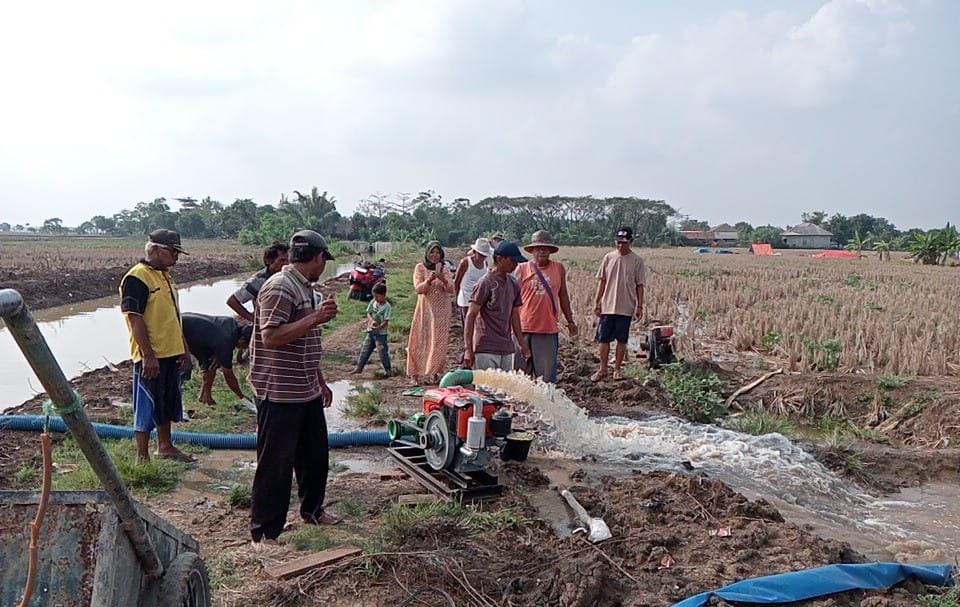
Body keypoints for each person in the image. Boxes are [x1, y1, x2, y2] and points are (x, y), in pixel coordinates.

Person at [248, 229, 340, 548]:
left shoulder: (304, 288)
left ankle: (312, 510)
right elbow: (270, 337)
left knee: (314, 457)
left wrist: (320, 379)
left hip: (305, 388)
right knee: (276, 464)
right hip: (280, 391)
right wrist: (315, 319)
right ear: (317, 258)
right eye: (323, 261)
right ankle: (264, 532)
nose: (323, 266)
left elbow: (305, 342)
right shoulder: (279, 287)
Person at [119, 229, 193, 463]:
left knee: (168, 401)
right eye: (173, 252)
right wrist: (148, 355)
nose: (176, 257)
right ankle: (142, 455)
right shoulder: (137, 277)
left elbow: (173, 316)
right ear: (156, 249)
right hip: (151, 355)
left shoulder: (164, 276)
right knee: (147, 403)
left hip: (171, 352)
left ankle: (165, 446)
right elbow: (134, 317)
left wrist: (184, 348)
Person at [516, 231, 578, 383]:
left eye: (545, 248)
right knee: (519, 376)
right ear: (532, 250)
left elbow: (563, 295)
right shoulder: (522, 269)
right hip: (524, 327)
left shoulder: (558, 268)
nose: (542, 251)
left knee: (546, 378)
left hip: (547, 328)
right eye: (538, 248)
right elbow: (512, 298)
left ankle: (544, 405)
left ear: (550, 250)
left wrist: (570, 321)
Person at [463, 241, 531, 371]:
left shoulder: (513, 284)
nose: (515, 265)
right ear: (500, 259)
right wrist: (468, 349)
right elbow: (471, 315)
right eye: (512, 261)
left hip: (506, 348)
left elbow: (514, 316)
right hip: (486, 347)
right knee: (487, 390)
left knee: (504, 389)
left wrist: (522, 344)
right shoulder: (485, 283)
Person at [591, 227, 645, 382]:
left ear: (631, 242)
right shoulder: (608, 258)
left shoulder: (637, 261)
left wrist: (640, 306)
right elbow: (602, 281)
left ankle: (617, 369)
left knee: (622, 339)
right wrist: (597, 302)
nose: (621, 246)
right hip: (608, 305)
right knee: (604, 339)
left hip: (626, 306)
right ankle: (602, 369)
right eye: (618, 242)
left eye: (624, 243)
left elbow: (639, 285)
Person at [405, 241, 455, 385]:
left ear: (441, 255)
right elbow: (418, 289)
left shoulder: (445, 268)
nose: (434, 255)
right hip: (425, 310)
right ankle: (414, 374)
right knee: (419, 339)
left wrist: (442, 278)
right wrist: (429, 280)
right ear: (427, 253)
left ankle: (434, 372)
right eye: (432, 252)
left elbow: (451, 289)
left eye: (437, 252)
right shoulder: (420, 268)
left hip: (441, 310)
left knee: (438, 341)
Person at [181, 312, 254, 406]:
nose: (245, 348)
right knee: (190, 366)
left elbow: (214, 335)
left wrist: (218, 353)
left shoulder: (231, 322)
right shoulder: (226, 341)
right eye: (246, 346)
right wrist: (241, 396)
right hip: (181, 330)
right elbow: (229, 375)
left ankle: (205, 396)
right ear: (242, 340)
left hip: (190, 324)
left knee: (212, 362)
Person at [227, 241, 289, 322]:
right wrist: (255, 321)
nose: (287, 264)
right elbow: (232, 301)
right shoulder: (259, 280)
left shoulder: (290, 276)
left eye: (289, 260)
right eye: (282, 260)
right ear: (268, 261)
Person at [350, 282, 392, 375]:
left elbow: (386, 321)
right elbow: (369, 313)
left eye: (377, 296)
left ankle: (388, 370)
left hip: (381, 334)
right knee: (365, 350)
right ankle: (359, 368)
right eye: (374, 296)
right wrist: (372, 321)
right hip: (371, 332)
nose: (376, 298)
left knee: (382, 352)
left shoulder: (387, 307)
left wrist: (379, 327)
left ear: (384, 295)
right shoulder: (373, 302)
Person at [453, 237, 492, 330]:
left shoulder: (485, 264)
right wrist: (457, 297)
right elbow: (457, 281)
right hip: (466, 299)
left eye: (484, 256)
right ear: (475, 252)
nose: (482, 258)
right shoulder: (466, 262)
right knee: (468, 327)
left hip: (479, 301)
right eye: (481, 255)